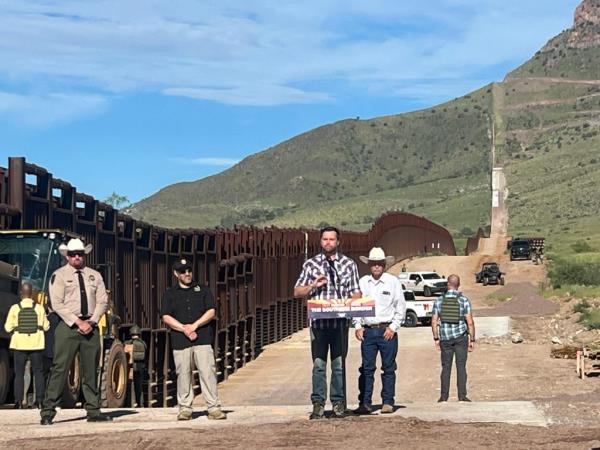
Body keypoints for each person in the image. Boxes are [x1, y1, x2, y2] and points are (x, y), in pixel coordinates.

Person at [40, 238, 112, 425]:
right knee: (60, 368)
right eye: (73, 254)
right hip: (68, 326)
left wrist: (93, 320)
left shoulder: (94, 276)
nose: (77, 257)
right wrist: (78, 322)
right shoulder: (59, 275)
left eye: (80, 253)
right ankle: (47, 411)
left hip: (91, 326)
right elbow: (56, 303)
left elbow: (103, 300)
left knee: (91, 369)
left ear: (84, 255)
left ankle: (93, 410)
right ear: (67, 256)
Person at [294, 226, 361, 419]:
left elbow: (356, 292)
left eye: (332, 239)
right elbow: (297, 291)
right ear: (320, 241)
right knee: (319, 364)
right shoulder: (311, 265)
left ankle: (339, 403)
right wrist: (314, 285)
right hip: (319, 324)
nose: (328, 242)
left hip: (339, 323)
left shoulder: (349, 265)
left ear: (338, 242)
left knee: (339, 364)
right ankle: (318, 403)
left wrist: (351, 300)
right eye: (325, 239)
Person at [160, 259, 226, 421]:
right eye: (183, 271)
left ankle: (213, 407)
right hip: (181, 340)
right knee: (183, 374)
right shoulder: (170, 294)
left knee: (207, 372)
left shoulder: (203, 290)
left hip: (202, 338)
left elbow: (211, 311)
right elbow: (166, 316)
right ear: (176, 274)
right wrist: (184, 329)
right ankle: (185, 408)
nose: (187, 274)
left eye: (189, 270)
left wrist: (194, 326)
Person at [353, 247, 406, 415]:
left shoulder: (393, 282)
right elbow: (356, 305)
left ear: (384, 265)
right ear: (369, 265)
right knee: (366, 368)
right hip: (368, 331)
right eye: (373, 264)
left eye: (379, 264)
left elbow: (401, 306)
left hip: (386, 330)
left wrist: (393, 326)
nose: (376, 267)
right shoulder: (362, 282)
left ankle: (388, 401)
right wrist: (357, 325)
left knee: (388, 368)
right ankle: (365, 402)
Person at [4, 282, 49, 409]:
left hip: (19, 344)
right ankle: (40, 401)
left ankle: (18, 402)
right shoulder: (39, 308)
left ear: (21, 294)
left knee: (19, 373)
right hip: (36, 345)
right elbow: (46, 326)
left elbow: (7, 328)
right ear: (32, 294)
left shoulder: (15, 308)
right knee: (38, 373)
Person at [431, 274, 475, 402]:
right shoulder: (463, 300)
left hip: (445, 339)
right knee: (461, 366)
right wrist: (472, 339)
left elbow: (434, 321)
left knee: (446, 367)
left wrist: (436, 339)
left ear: (447, 284)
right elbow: (470, 322)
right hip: (461, 338)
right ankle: (462, 396)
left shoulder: (439, 300)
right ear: (458, 285)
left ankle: (444, 396)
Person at [125, 324, 147, 407]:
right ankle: (141, 405)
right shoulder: (143, 343)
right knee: (139, 388)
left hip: (130, 368)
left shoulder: (127, 343)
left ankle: (128, 405)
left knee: (129, 387)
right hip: (140, 367)